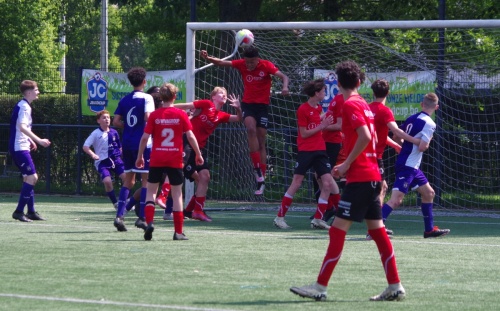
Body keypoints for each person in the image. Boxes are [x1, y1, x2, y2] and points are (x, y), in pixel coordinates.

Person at [290, 61, 405, 302]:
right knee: (378, 232)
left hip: (361, 177)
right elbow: (369, 135)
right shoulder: (364, 103)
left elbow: (364, 136)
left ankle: (320, 287)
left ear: (338, 84)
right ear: (360, 83)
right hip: (373, 175)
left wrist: (346, 163)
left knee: (336, 231)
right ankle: (394, 285)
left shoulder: (350, 104)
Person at [200, 46, 289, 195]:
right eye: (247, 62)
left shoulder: (266, 65)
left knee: (261, 141)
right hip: (248, 104)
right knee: (250, 129)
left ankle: (263, 176)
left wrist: (285, 87)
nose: (249, 65)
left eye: (252, 62)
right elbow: (222, 63)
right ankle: (257, 173)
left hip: (262, 107)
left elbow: (284, 76)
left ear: (257, 59)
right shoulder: (241, 64)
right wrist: (208, 58)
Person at [136, 83, 203, 241]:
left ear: (160, 97)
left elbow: (145, 137)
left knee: (151, 192)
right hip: (175, 158)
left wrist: (140, 156)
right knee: (177, 194)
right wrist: (198, 153)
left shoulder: (154, 115)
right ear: (175, 97)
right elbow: (191, 136)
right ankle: (178, 232)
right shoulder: (181, 114)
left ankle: (150, 222)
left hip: (157, 158)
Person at [381, 92, 450, 238]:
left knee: (429, 193)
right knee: (396, 200)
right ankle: (375, 229)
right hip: (408, 165)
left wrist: (405, 145)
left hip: (411, 165)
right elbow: (423, 147)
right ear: (436, 107)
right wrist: (417, 142)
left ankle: (429, 230)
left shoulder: (412, 118)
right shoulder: (430, 123)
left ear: (422, 104)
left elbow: (396, 136)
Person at [273, 79, 334, 230]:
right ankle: (279, 217)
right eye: (323, 91)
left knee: (327, 184)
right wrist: (322, 125)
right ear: (316, 93)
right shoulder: (302, 109)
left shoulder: (318, 108)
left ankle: (318, 219)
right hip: (306, 150)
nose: (325, 94)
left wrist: (325, 120)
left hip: (320, 150)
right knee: (297, 183)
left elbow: (318, 121)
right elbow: (305, 133)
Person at [174, 87, 242, 222]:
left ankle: (195, 211)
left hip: (199, 150)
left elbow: (239, 119)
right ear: (213, 97)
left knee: (204, 177)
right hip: (186, 145)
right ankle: (163, 200)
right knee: (174, 174)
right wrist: (168, 106)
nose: (224, 95)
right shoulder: (206, 104)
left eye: (225, 94)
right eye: (221, 93)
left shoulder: (221, 115)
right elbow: (186, 105)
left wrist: (238, 108)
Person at [366, 79, 421, 240]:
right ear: (388, 93)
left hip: (365, 153)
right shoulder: (385, 111)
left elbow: (377, 135)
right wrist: (414, 141)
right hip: (375, 156)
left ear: (373, 92)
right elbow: (396, 130)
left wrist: (395, 146)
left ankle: (376, 225)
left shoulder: (367, 109)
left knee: (380, 187)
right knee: (380, 189)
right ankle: (375, 227)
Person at [112, 67, 155, 232]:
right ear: (144, 82)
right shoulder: (147, 98)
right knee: (146, 181)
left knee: (128, 181)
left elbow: (116, 121)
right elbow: (148, 118)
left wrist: (128, 127)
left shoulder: (124, 99)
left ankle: (119, 216)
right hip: (143, 144)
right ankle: (142, 217)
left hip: (127, 143)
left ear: (131, 82)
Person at [9, 80, 51, 222]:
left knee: (28, 178)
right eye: (36, 90)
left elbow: (20, 128)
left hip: (21, 146)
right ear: (29, 92)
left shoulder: (24, 105)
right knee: (33, 177)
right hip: (19, 148)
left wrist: (30, 140)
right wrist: (39, 140)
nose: (38, 92)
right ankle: (19, 212)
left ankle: (31, 211)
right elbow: (22, 127)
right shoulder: (24, 107)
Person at [83, 110, 128, 210]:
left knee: (127, 178)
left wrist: (122, 156)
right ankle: (115, 203)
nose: (107, 119)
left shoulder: (114, 132)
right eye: (104, 118)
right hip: (103, 162)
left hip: (116, 160)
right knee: (107, 181)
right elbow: (85, 146)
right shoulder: (95, 133)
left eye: (108, 117)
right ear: (98, 121)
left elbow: (119, 147)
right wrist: (93, 155)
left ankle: (125, 200)